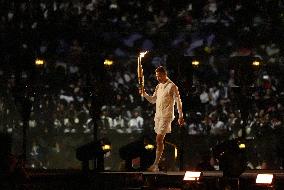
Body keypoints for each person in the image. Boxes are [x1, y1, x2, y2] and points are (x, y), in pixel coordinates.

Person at [140, 66, 184, 172]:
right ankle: (157, 163)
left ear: (165, 74)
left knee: (159, 139)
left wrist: (181, 116)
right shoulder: (158, 86)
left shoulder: (172, 86)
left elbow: (178, 101)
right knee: (159, 141)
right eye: (157, 76)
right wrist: (144, 94)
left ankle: (155, 165)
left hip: (166, 116)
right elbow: (153, 100)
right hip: (158, 116)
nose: (158, 78)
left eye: (159, 76)